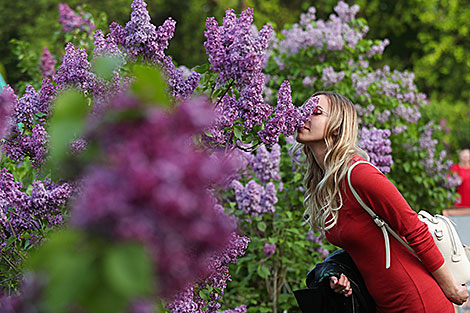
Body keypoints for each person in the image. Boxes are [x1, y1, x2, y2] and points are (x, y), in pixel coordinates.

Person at [294, 91, 468, 312]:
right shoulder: (328, 183)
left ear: (337, 127)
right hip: (382, 304)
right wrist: (340, 277)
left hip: (417, 301)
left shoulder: (360, 175)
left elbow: (414, 229)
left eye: (316, 112)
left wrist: (450, 287)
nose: (303, 117)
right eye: (303, 110)